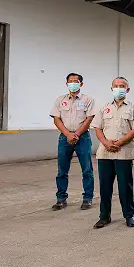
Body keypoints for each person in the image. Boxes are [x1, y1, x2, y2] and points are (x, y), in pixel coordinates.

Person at [91, 77, 134, 228]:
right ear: (111, 88)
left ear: (127, 90)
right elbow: (98, 128)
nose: (118, 88)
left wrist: (120, 142)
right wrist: (106, 143)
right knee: (105, 186)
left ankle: (129, 215)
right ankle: (104, 216)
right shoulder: (104, 108)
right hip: (105, 153)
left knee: (125, 187)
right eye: (116, 86)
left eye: (122, 86)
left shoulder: (133, 108)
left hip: (124, 153)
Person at [50, 73, 95, 210]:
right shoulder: (60, 100)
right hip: (65, 137)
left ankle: (87, 198)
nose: (73, 83)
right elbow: (56, 119)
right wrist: (68, 134)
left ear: (81, 84)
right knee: (62, 170)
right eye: (70, 81)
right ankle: (61, 198)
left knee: (87, 169)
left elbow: (89, 119)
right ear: (66, 83)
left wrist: (76, 134)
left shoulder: (88, 100)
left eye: (76, 81)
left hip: (83, 138)